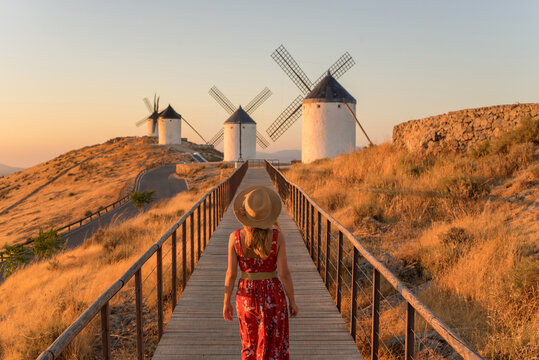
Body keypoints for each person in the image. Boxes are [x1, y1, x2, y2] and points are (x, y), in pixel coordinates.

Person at [223, 185, 298, 360]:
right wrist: (292, 301)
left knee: (249, 345)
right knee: (274, 346)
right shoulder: (277, 237)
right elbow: (284, 273)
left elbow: (231, 273)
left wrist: (226, 302)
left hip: (246, 296)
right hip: (273, 295)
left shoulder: (235, 238)